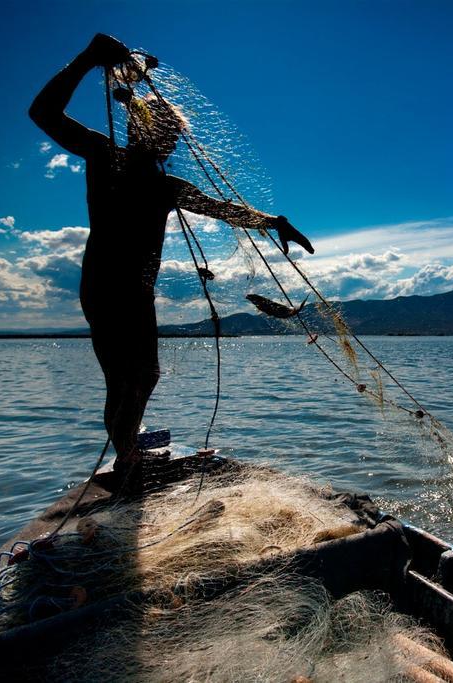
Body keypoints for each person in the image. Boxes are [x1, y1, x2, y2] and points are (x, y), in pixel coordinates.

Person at [29, 33, 313, 485]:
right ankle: (127, 461)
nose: (170, 144)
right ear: (140, 130)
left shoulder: (167, 187)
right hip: (105, 286)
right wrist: (86, 58)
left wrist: (274, 221)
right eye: (164, 134)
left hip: (137, 293)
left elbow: (225, 209)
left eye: (173, 138)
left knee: (142, 378)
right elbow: (43, 114)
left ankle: (127, 455)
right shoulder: (105, 155)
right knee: (126, 379)